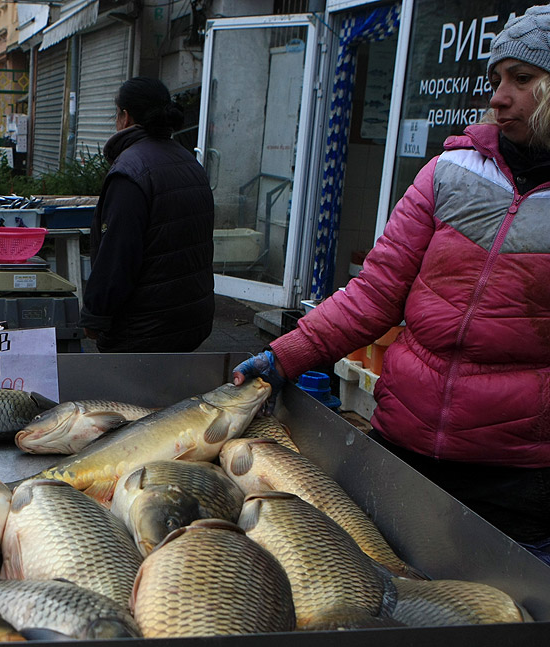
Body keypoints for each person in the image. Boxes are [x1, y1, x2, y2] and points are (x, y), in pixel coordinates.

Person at [234, 3, 550, 562]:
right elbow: (375, 293)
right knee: (379, 591)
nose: (499, 96)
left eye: (522, 80)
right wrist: (288, 354)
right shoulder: (450, 173)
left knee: (498, 623)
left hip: (517, 473)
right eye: (497, 79)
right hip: (404, 442)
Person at [79, 76, 215, 352]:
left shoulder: (130, 172)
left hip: (143, 329)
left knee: (131, 396)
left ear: (125, 117)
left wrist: (95, 316)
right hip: (191, 321)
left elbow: (117, 256)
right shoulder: (189, 163)